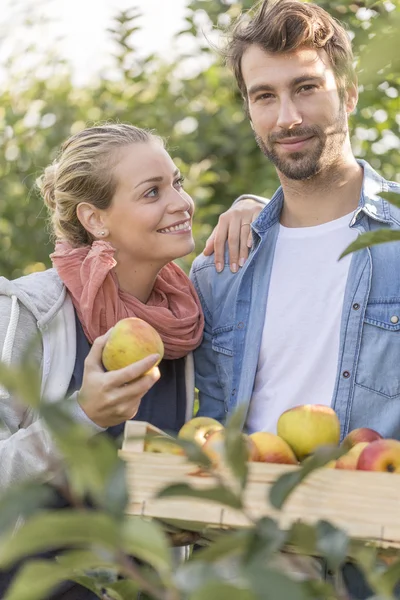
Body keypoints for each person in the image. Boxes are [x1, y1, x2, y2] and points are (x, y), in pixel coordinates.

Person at [0, 123, 264, 599]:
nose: (180, 202)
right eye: (152, 192)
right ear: (95, 220)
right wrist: (83, 416)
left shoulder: (182, 318)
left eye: (177, 182)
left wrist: (255, 207)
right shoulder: (28, 313)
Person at [190, 1, 400, 597]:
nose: (288, 116)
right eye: (264, 96)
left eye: (306, 88)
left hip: (378, 562)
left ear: (350, 92)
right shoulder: (221, 268)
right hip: (248, 564)